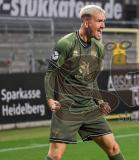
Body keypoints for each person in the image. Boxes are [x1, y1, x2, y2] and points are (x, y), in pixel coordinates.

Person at [44, 5, 125, 160]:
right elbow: (50, 73)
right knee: (55, 156)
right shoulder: (66, 44)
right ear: (87, 23)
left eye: (104, 21)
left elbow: (91, 79)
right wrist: (49, 99)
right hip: (67, 109)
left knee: (113, 148)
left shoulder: (99, 48)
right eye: (99, 21)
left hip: (89, 107)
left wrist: (99, 101)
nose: (103, 26)